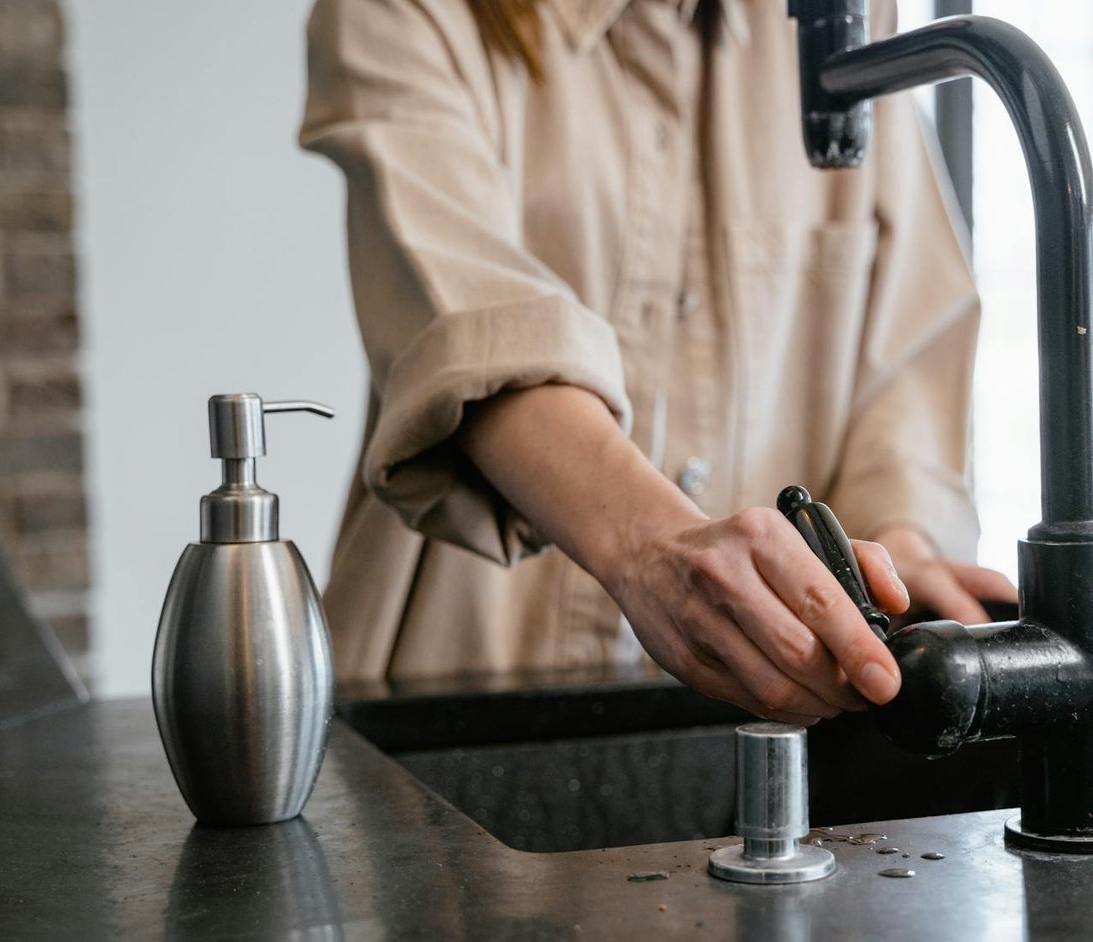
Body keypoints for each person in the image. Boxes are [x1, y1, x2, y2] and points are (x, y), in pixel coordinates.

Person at [300, 0, 1015, 727]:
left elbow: (907, 359)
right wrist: (650, 546)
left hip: (768, 734)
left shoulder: (838, 24)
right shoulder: (407, 13)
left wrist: (895, 553)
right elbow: (470, 326)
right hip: (452, 707)